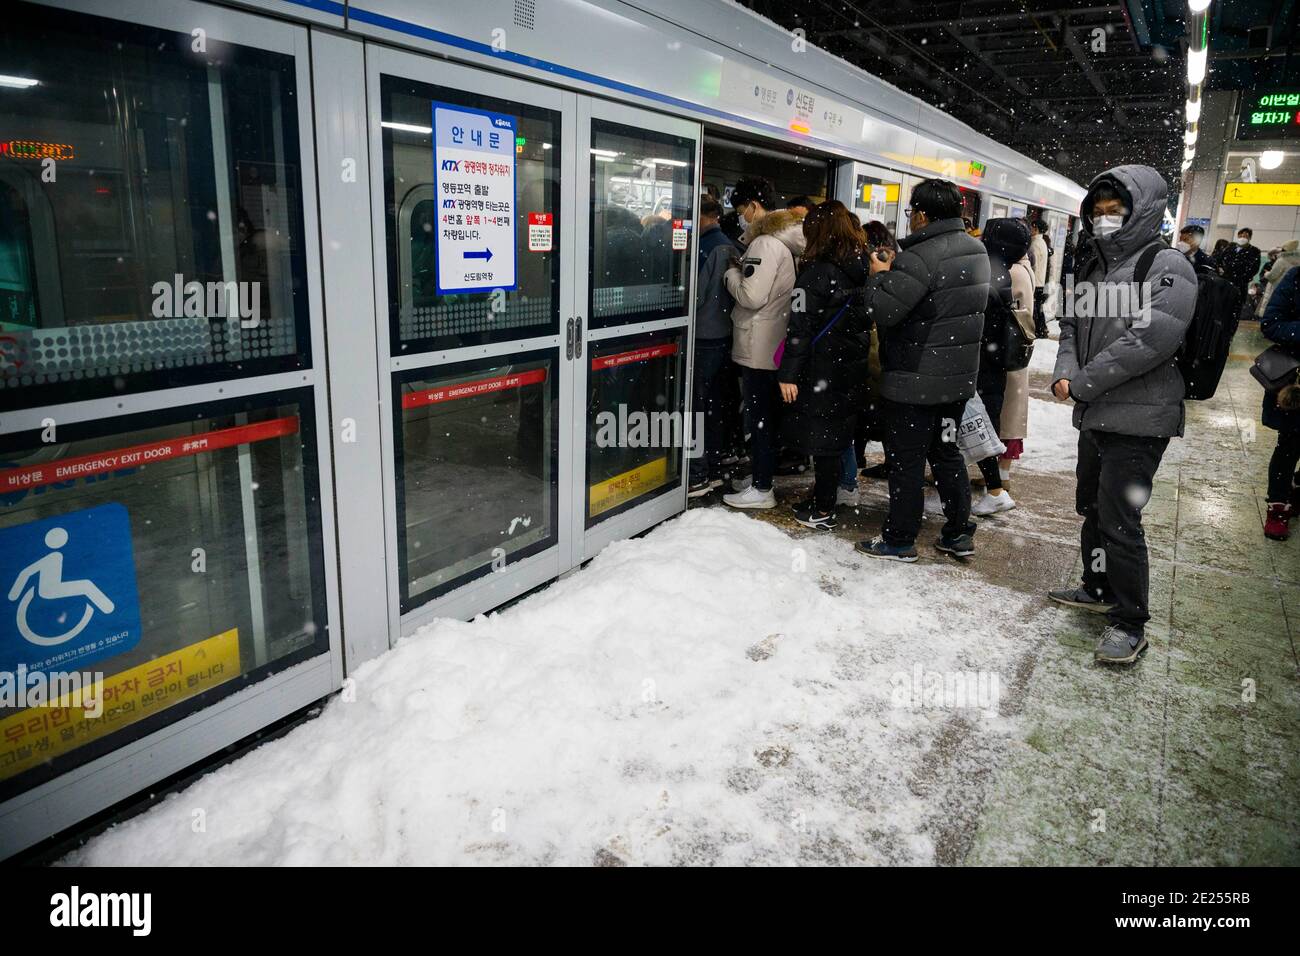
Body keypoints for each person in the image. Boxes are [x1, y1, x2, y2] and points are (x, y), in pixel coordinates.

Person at [1049, 164, 1197, 665]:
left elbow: (1150, 341)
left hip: (1141, 417)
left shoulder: (1166, 265)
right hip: (1095, 413)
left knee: (1119, 518)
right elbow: (1068, 326)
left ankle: (1130, 622)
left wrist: (1083, 382)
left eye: (1115, 212)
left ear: (1143, 212)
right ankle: (1097, 586)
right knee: (1091, 506)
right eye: (1098, 212)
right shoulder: (1090, 266)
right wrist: (1065, 373)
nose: (1104, 220)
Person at [851, 178, 990, 562]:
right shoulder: (976, 250)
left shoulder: (920, 256)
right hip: (956, 382)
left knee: (906, 463)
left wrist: (880, 276)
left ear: (924, 215)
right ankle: (959, 531)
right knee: (946, 454)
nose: (911, 219)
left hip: (914, 383)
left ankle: (899, 539)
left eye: (912, 212)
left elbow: (884, 311)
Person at [776, 201, 872, 530]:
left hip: (822, 368)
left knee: (823, 441)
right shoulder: (859, 265)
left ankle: (823, 508)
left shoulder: (816, 272)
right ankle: (824, 498)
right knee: (836, 435)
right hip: (848, 366)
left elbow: (799, 326)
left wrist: (788, 373)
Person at [722, 176, 806, 509]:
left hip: (759, 343)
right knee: (766, 416)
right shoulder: (789, 241)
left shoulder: (765, 244)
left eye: (742, 209)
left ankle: (762, 487)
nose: (741, 216)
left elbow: (751, 295)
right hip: (776, 341)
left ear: (754, 206)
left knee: (760, 417)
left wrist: (732, 275)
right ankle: (761, 474)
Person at [971, 217, 1034, 516]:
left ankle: (995, 486)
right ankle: (995, 484)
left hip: (991, 359)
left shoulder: (1001, 272)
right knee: (991, 419)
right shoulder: (1012, 269)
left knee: (987, 421)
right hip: (1000, 359)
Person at [688, 195, 743, 497]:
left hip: (702, 338)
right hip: (724, 336)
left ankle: (696, 474)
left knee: (696, 406)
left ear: (703, 215)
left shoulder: (706, 248)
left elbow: (693, 297)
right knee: (715, 406)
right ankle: (715, 467)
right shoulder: (731, 245)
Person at [1259, 264, 1300, 540]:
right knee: (1289, 446)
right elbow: (1270, 323)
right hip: (1295, 383)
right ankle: (1277, 507)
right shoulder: (1296, 278)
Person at [1257, 239, 1300, 317]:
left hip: (1277, 287)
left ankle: (1269, 321)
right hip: (1291, 289)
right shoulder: (1298, 261)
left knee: (1272, 306)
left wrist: (1266, 274)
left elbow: (1272, 276)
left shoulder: (1281, 260)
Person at [1219, 226, 1263, 299]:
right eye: (1241, 235)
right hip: (1226, 280)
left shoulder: (1254, 251)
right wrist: (1222, 270)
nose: (1242, 237)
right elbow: (1220, 259)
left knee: (1237, 302)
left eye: (1245, 236)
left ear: (1249, 238)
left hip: (1241, 283)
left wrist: (1244, 278)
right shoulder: (1230, 247)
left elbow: (1255, 268)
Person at [1029, 219, 1050, 338]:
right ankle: (1042, 329)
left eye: (1032, 227)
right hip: (1040, 281)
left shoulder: (1035, 244)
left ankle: (1039, 330)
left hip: (1035, 281)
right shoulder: (1042, 242)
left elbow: (1034, 265)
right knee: (1038, 308)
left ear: (1036, 229)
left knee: (1035, 308)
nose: (1030, 229)